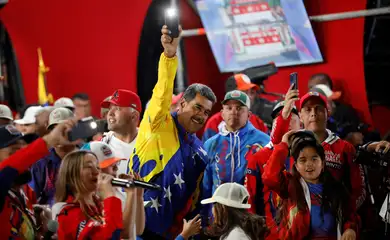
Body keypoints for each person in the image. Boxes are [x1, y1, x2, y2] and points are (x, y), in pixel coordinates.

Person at [129, 25, 217, 239]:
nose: (201, 116)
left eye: (206, 112)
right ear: (182, 104)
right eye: (197, 107)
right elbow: (162, 92)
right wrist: (169, 55)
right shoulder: (158, 122)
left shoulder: (201, 153)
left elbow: (197, 202)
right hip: (136, 228)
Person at [262, 130, 360, 239]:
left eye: (314, 159)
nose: (309, 164)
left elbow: (351, 216)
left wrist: (350, 229)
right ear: (296, 166)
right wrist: (283, 144)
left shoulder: (337, 189)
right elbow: (269, 177)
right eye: (302, 160)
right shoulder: (290, 186)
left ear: (322, 163)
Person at [0, 119, 78, 239]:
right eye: (15, 152)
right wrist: (50, 139)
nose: (26, 161)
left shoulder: (24, 191)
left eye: (24, 148)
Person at [202, 90, 270, 218]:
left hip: (253, 215)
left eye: (239, 108)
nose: (234, 111)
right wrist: (205, 218)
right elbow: (206, 185)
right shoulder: (210, 144)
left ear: (249, 115)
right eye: (229, 108)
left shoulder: (264, 141)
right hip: (218, 217)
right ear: (222, 113)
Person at [245, 85, 300, 240]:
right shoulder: (258, 157)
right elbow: (250, 198)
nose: (288, 122)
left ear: (301, 123)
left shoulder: (308, 154)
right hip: (270, 233)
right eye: (283, 118)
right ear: (274, 125)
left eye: (293, 119)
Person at [53, 151, 125, 239]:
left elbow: (123, 233)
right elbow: (112, 235)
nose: (97, 172)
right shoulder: (67, 213)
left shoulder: (98, 205)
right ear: (71, 175)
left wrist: (134, 194)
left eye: (98, 167)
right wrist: (110, 196)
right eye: (89, 167)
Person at [81, 141, 145, 238]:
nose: (116, 168)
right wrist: (131, 195)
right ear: (96, 169)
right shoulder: (87, 201)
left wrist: (137, 196)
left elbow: (138, 230)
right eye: (110, 165)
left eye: (116, 163)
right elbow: (122, 234)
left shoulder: (118, 192)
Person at [29, 107, 76, 206]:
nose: (59, 134)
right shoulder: (40, 162)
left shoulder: (86, 156)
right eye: (54, 129)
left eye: (64, 128)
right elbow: (32, 198)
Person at [202, 73, 269, 142]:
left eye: (251, 92)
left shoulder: (258, 122)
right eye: (244, 92)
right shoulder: (214, 122)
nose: (249, 97)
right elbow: (207, 151)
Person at [201, 182, 269, 240]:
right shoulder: (236, 231)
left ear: (223, 207)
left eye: (214, 204)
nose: (212, 210)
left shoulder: (236, 236)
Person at [101, 89, 141, 175]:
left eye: (117, 108)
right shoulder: (102, 146)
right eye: (110, 108)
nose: (110, 113)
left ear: (134, 116)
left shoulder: (150, 142)